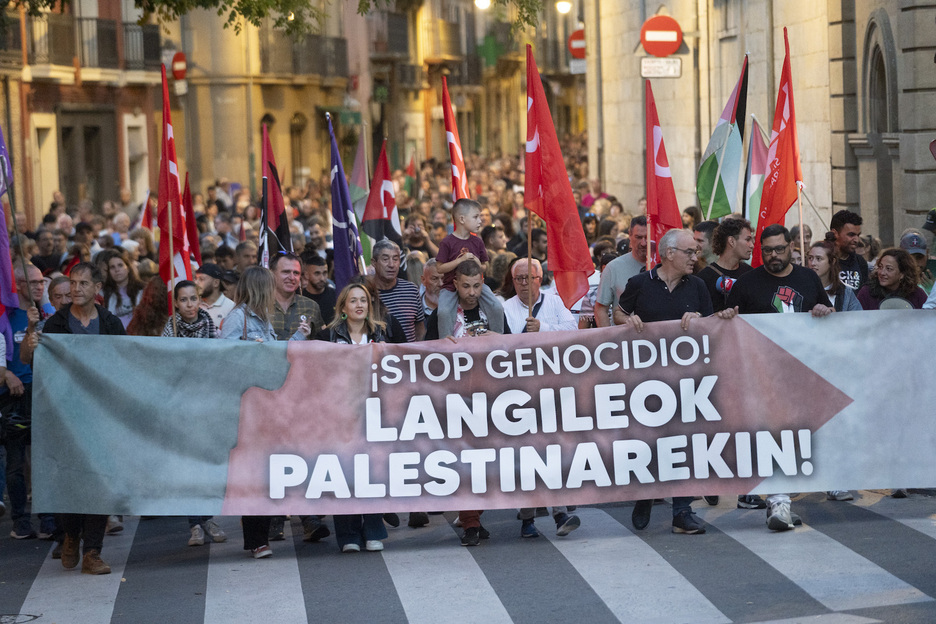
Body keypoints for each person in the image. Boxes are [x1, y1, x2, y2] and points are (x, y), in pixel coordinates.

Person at [613, 229, 737, 535]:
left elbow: (710, 325)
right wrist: (627, 321)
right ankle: (646, 494)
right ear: (669, 254)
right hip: (645, 380)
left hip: (686, 380)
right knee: (649, 442)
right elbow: (618, 313)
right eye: (690, 253)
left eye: (696, 253)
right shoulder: (640, 284)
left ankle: (682, 511)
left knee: (684, 442)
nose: (696, 258)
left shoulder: (697, 286)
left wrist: (699, 318)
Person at [727, 225, 833, 531]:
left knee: (800, 435)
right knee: (776, 434)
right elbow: (727, 323)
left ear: (790, 247)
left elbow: (826, 309)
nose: (773, 255)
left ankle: (784, 497)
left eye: (779, 249)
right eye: (767, 250)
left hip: (802, 371)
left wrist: (825, 310)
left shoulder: (808, 278)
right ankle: (778, 498)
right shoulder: (747, 283)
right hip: (762, 372)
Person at [34, 262, 126, 574]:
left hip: (101, 415)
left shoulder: (111, 323)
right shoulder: (56, 324)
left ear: (97, 288)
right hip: (65, 414)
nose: (76, 289)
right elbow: (38, 364)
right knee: (70, 479)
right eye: (73, 283)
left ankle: (93, 551)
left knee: (100, 482)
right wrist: (31, 345)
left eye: (84, 283)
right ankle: (71, 534)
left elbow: (124, 363)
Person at [219, 266, 310, 558]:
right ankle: (257, 539)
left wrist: (298, 337)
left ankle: (262, 535)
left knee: (266, 471)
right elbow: (224, 357)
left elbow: (276, 354)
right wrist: (249, 351)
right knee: (254, 472)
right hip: (247, 406)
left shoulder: (262, 318)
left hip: (265, 404)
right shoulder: (238, 319)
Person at [502, 258, 581, 537]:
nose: (525, 284)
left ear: (540, 278)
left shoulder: (554, 302)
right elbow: (499, 344)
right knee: (526, 455)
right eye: (519, 279)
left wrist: (543, 329)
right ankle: (527, 518)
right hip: (518, 391)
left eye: (529, 278)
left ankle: (559, 515)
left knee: (551, 452)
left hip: (550, 387)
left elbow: (572, 332)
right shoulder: (505, 308)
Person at [426, 262, 500, 546]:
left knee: (487, 461)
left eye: (477, 286)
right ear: (455, 284)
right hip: (455, 397)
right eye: (465, 286)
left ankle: (475, 514)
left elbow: (513, 351)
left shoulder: (493, 311)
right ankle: (471, 522)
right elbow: (423, 354)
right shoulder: (441, 316)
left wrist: (501, 340)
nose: (471, 293)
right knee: (465, 460)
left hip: (491, 395)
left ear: (483, 282)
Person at [317, 283, 390, 552]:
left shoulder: (381, 331)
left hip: (374, 411)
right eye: (353, 301)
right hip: (340, 413)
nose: (359, 305)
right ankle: (348, 534)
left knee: (371, 471)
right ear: (343, 308)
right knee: (344, 471)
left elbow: (410, 359)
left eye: (364, 300)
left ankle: (373, 530)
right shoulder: (328, 336)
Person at [160, 280, 228, 546]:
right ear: (176, 303)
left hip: (208, 405)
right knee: (188, 466)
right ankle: (194, 524)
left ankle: (208, 517)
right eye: (183, 300)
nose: (189, 305)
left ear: (200, 300)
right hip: (182, 406)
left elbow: (219, 358)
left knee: (207, 465)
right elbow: (166, 365)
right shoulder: (171, 329)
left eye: (193, 299)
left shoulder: (210, 325)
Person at [1, 264, 55, 542]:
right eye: (32, 282)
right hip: (14, 395)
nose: (39, 287)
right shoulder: (6, 316)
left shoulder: (47, 314)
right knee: (16, 460)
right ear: (18, 285)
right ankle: (20, 519)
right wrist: (6, 373)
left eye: (41, 282)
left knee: (44, 458)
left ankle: (47, 518)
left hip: (43, 392)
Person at [434, 199, 504, 339]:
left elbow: (485, 266)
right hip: (450, 287)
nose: (480, 221)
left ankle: (499, 337)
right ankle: (446, 342)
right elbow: (440, 268)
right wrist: (460, 260)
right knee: (444, 312)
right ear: (461, 219)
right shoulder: (447, 242)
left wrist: (478, 263)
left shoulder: (477, 241)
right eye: (476, 217)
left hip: (477, 285)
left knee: (496, 306)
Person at [595, 215, 648, 326]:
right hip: (624, 340)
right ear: (630, 235)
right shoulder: (613, 268)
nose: (643, 243)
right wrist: (608, 340)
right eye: (638, 237)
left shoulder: (665, 266)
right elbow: (601, 309)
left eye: (647, 237)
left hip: (660, 339)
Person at [371, 239, 426, 343]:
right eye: (385, 259)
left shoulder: (411, 290)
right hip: (378, 357)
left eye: (395, 259)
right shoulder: (365, 293)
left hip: (409, 357)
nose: (391, 264)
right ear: (374, 262)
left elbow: (420, 330)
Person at [697, 218, 754, 312]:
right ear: (731, 241)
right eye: (747, 240)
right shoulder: (704, 278)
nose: (752, 245)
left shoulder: (751, 274)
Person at [856, 248, 927, 310]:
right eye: (880, 267)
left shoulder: (917, 294)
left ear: (902, 274)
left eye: (889, 269)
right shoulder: (866, 293)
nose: (882, 273)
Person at [807, 241, 862, 312]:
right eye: (810, 258)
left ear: (832, 261)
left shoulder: (845, 293)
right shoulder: (801, 289)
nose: (813, 263)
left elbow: (858, 319)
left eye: (819, 258)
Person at [102, 249, 145, 328]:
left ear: (128, 268)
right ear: (109, 272)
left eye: (120, 265)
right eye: (112, 267)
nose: (117, 270)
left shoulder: (142, 290)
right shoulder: (105, 293)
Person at [829, 210, 868, 290]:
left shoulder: (860, 262)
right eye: (851, 235)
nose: (856, 240)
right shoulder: (824, 261)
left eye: (858, 235)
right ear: (835, 233)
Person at [300, 251, 337, 325]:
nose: (322, 278)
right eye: (317, 273)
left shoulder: (336, 295)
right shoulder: (301, 298)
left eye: (325, 273)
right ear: (306, 275)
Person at [195, 263, 236, 327]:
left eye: (201, 279)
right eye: (196, 278)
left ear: (216, 283)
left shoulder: (231, 308)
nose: (196, 282)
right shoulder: (193, 305)